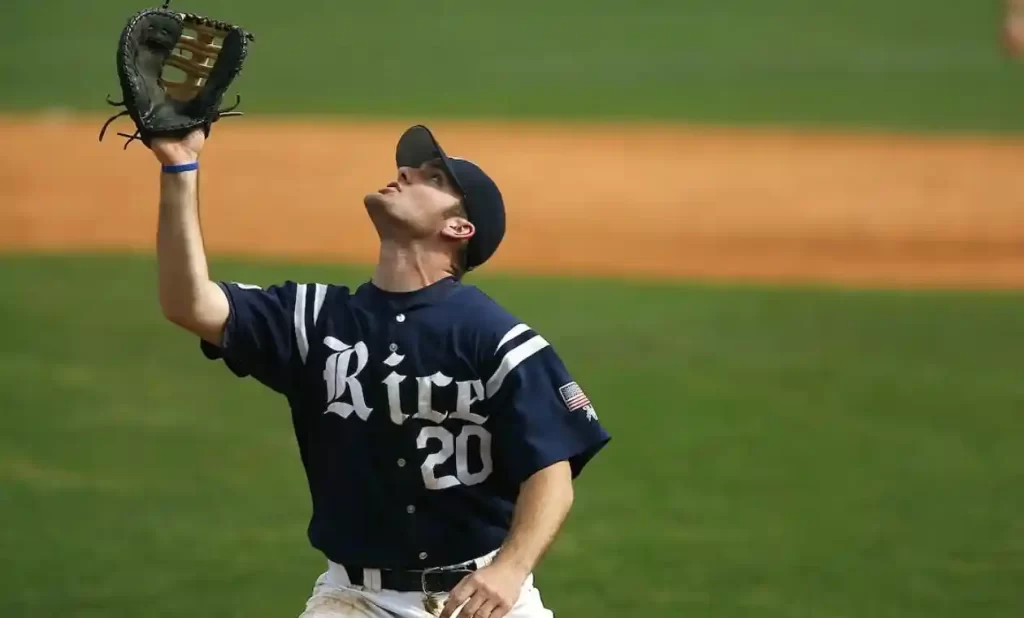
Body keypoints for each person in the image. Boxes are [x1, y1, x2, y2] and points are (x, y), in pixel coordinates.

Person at [149, 124, 611, 618]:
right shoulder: (314, 321)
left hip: (483, 595)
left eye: (431, 178)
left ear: (458, 228)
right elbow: (189, 303)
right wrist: (179, 166)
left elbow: (551, 472)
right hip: (356, 599)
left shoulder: (495, 339)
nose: (404, 173)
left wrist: (511, 569)